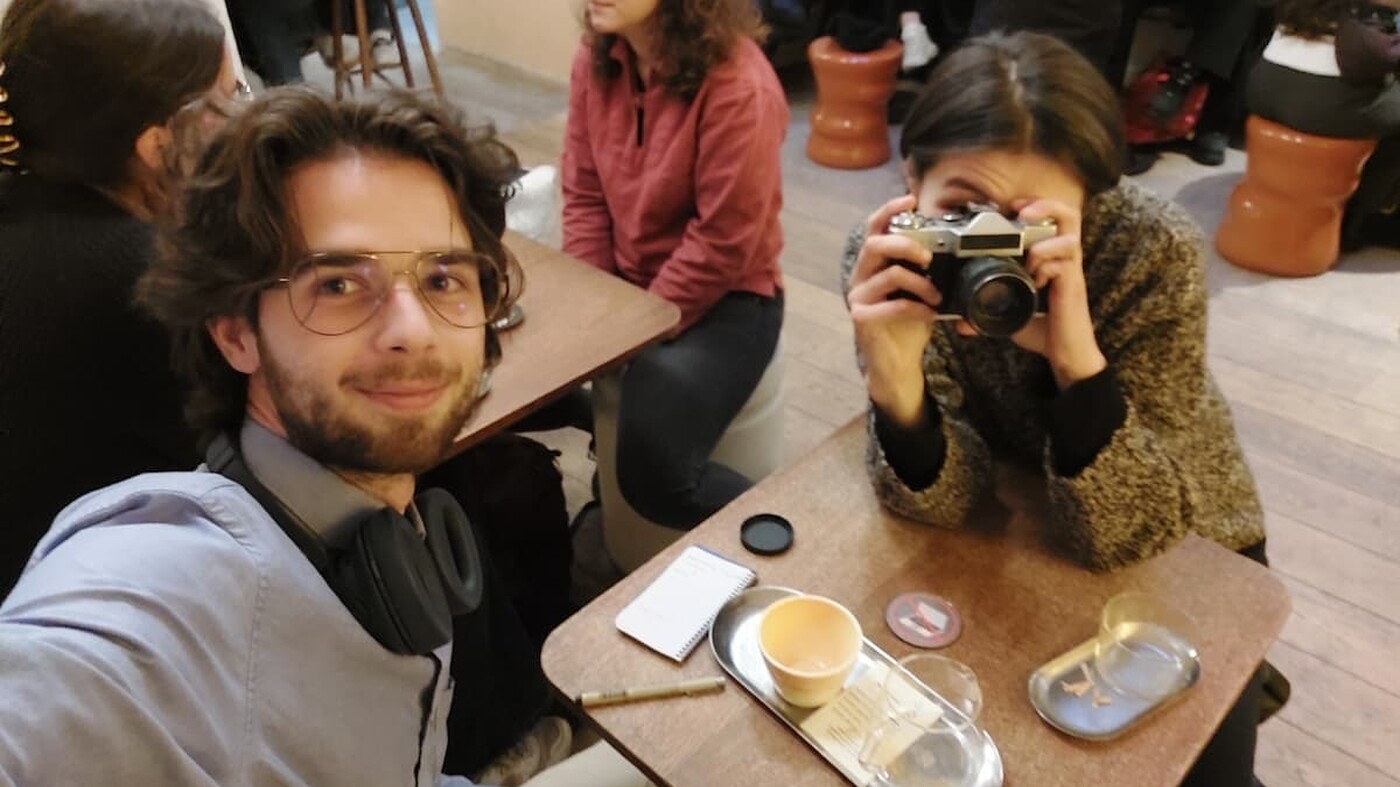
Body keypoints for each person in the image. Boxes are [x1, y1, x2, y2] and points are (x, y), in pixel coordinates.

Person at [843, 32, 1269, 786]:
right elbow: (943, 503)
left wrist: (1077, 359)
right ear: (911, 176)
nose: (988, 245)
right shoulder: (895, 256)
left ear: (1091, 204)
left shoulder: (1147, 250)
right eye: (963, 211)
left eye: (1027, 220)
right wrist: (896, 378)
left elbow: (1129, 531)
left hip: (1183, 528)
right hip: (1015, 513)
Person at [0, 0, 240, 596]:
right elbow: (266, 443)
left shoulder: (25, 202)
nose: (243, 116)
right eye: (228, 99)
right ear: (158, 147)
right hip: (100, 596)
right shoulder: (137, 272)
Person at [562, 0, 787, 530]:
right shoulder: (596, 58)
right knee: (514, 371)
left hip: (731, 299)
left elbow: (722, 242)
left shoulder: (739, 86)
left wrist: (631, 335)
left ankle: (784, 530)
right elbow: (584, 192)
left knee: (655, 479)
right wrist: (597, 303)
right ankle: (601, 441)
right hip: (628, 281)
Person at [1246, 0, 1400, 248]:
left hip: (1263, 89)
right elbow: (1379, 54)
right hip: (1316, 105)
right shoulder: (1358, 20)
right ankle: (1357, 220)